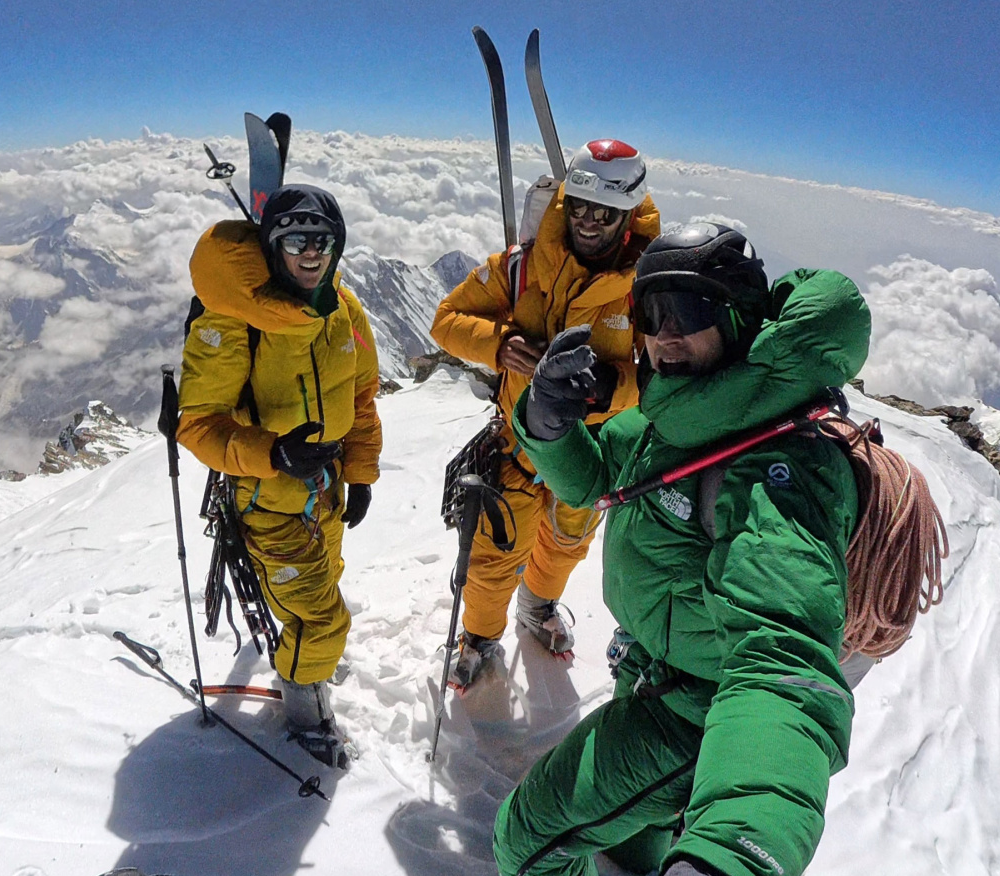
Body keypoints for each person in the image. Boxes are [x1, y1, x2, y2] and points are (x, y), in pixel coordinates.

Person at [457, 224, 872, 876]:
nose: (662, 338)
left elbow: (780, 663)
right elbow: (596, 474)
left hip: (696, 713)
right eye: (649, 316)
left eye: (686, 310)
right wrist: (546, 423)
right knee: (637, 820)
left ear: (743, 317)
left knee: (529, 834)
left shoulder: (773, 468)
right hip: (659, 665)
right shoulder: (686, 416)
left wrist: (729, 856)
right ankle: (642, 850)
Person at [430, 140, 661, 687]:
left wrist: (610, 389)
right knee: (491, 558)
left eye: (603, 212)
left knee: (563, 546)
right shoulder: (520, 268)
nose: (587, 220)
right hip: (514, 447)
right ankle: (482, 637)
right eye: (578, 206)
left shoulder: (647, 288)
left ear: (628, 215)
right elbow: (446, 320)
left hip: (588, 454)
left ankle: (536, 608)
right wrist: (500, 342)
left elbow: (660, 376)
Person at [177, 184, 382, 768]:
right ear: (273, 246)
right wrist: (274, 456)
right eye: (296, 240)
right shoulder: (233, 320)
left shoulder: (344, 307)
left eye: (322, 240)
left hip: (328, 488)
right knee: (321, 617)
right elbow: (199, 426)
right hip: (268, 500)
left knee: (323, 587)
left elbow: (361, 394)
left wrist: (361, 471)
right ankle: (304, 714)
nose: (311, 252)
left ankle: (309, 663)